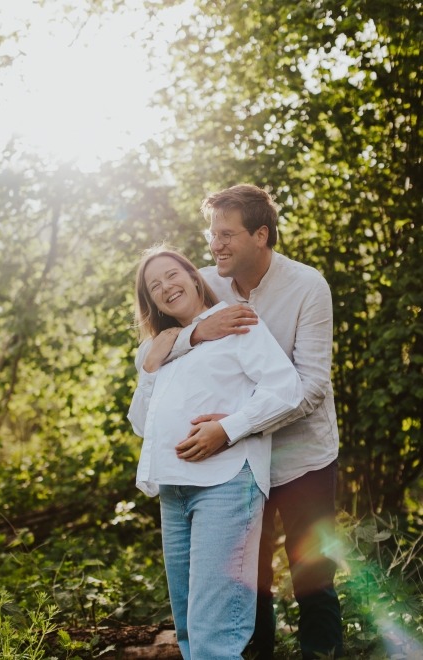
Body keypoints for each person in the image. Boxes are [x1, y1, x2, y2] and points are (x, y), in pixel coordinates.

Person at [168, 184, 344, 659]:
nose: (215, 244)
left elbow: (310, 387)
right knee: (248, 581)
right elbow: (157, 351)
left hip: (303, 457)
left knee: (313, 576)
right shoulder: (206, 284)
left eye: (226, 234)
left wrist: (232, 425)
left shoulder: (308, 286)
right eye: (212, 233)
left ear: (261, 235)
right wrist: (195, 335)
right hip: (241, 466)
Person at [127, 246, 303, 660]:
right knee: (190, 631)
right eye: (154, 287)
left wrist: (227, 428)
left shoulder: (235, 323)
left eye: (172, 275)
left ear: (193, 275)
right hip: (174, 490)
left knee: (214, 636)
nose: (166, 287)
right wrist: (152, 365)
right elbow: (141, 424)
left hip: (226, 483)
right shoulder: (158, 347)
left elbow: (286, 389)